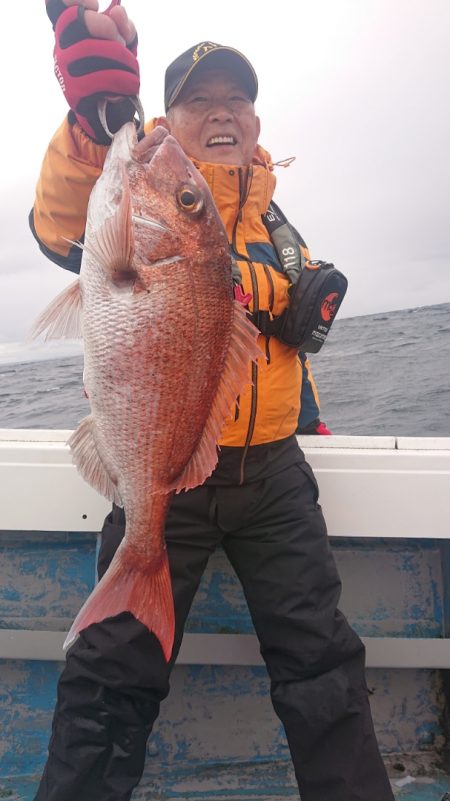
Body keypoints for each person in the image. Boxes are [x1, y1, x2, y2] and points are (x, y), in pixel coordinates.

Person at [30, 2, 394, 800]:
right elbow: (60, 227)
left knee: (325, 668)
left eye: (237, 100)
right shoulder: (139, 195)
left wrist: (290, 302)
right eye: (200, 100)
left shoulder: (280, 228)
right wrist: (93, 124)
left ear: (257, 123)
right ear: (169, 119)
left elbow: (297, 328)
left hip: (275, 476)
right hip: (165, 467)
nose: (222, 113)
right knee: (109, 677)